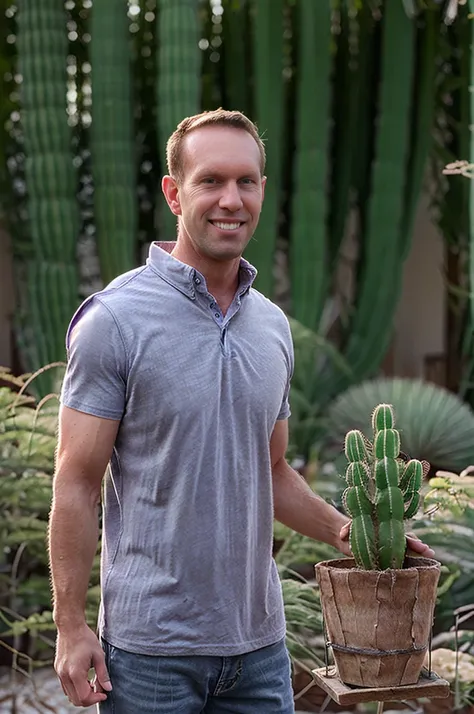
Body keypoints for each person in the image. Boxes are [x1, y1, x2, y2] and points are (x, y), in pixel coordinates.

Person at [48, 109, 435, 713]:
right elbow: (75, 481)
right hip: (151, 655)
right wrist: (71, 628)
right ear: (175, 194)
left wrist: (350, 532)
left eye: (246, 182)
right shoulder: (114, 321)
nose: (231, 199)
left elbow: (272, 468)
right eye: (211, 181)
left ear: (261, 191)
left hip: (258, 653)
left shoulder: (272, 327)